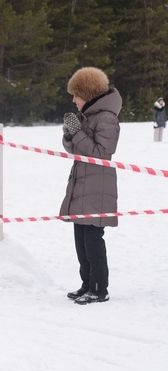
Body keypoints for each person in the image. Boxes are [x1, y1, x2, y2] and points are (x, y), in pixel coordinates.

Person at [60, 67, 120, 305]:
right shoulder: (89, 117)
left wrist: (77, 133)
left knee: (93, 239)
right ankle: (87, 283)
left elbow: (101, 153)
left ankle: (99, 287)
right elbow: (75, 149)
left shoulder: (106, 118)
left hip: (97, 185)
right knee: (80, 238)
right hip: (81, 182)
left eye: (77, 95)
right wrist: (69, 133)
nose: (74, 100)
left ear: (88, 93)